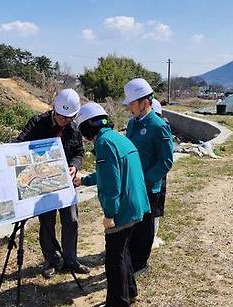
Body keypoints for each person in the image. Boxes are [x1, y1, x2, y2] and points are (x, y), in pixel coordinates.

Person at [73, 102, 150, 307]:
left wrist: (109, 214)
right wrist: (85, 180)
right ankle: (130, 291)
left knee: (114, 259)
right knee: (123, 251)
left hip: (123, 209)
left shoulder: (103, 143)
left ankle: (118, 302)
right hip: (137, 204)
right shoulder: (117, 138)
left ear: (87, 128)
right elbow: (111, 172)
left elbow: (111, 185)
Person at [15, 88, 90, 278]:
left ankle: (71, 260)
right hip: (41, 181)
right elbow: (19, 144)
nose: (64, 120)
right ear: (54, 109)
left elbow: (79, 153)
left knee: (71, 220)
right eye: (61, 116)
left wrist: (74, 165)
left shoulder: (73, 129)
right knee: (47, 222)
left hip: (65, 182)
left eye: (69, 118)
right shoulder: (37, 123)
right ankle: (52, 260)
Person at [121, 79, 174, 275]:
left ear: (145, 102)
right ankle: (131, 259)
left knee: (145, 226)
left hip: (148, 186)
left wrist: (146, 180)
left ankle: (141, 263)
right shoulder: (132, 124)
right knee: (133, 223)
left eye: (132, 104)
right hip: (132, 184)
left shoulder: (158, 126)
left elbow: (166, 161)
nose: (129, 108)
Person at [150, 98, 168, 248]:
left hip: (156, 179)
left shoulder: (161, 128)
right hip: (145, 178)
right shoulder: (135, 126)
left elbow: (166, 160)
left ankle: (152, 237)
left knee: (156, 209)